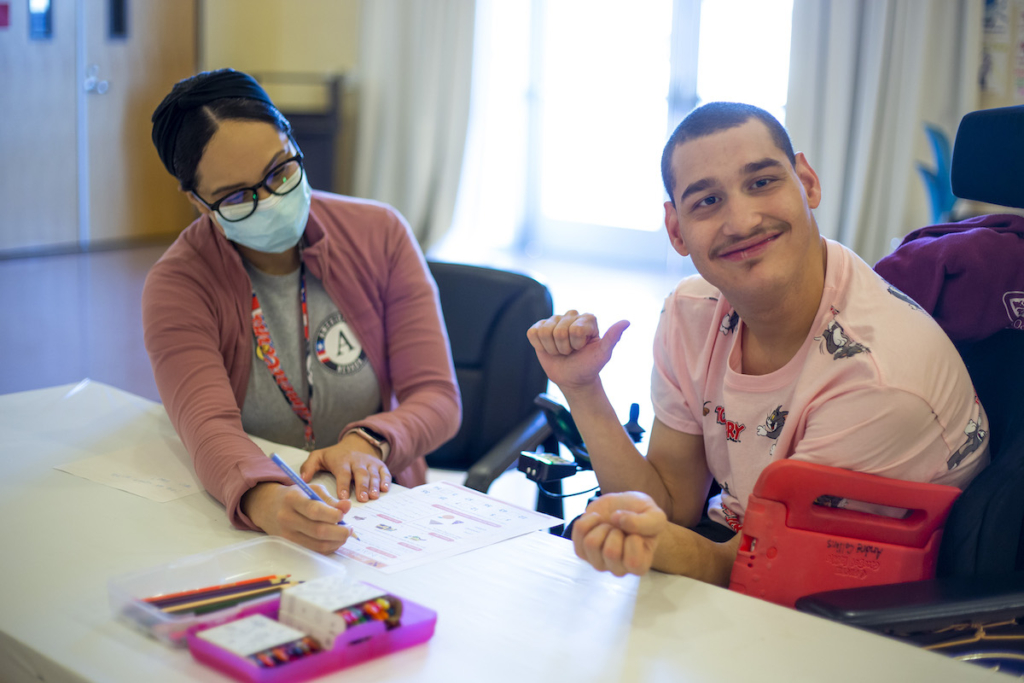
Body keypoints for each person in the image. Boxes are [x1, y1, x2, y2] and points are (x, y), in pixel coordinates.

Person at [527, 102, 989, 584]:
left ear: (807, 183)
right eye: (706, 201)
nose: (742, 221)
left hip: (843, 611)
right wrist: (582, 388)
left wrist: (651, 540)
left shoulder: (877, 378)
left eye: (762, 182)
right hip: (744, 556)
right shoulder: (692, 310)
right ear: (675, 230)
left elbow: (754, 573)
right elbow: (670, 505)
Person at [143, 69, 460, 553]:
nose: (270, 201)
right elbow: (208, 429)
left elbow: (437, 397)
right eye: (237, 196)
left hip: (386, 514)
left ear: (291, 138)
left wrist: (370, 441)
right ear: (198, 201)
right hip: (263, 523)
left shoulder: (380, 234)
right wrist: (267, 500)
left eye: (280, 171)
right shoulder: (179, 285)